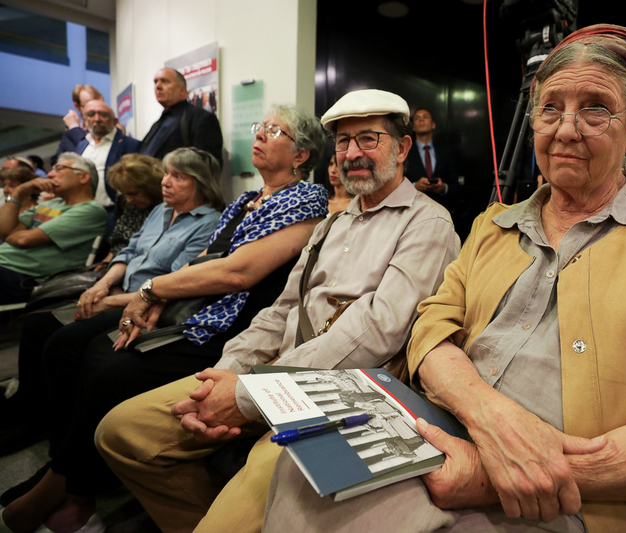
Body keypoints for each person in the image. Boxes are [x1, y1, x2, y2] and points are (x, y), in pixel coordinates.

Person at [260, 25, 626, 533]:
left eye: (596, 107)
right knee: (307, 473)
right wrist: (489, 415)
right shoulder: (494, 224)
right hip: (442, 433)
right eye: (550, 108)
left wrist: (499, 473)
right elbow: (430, 326)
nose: (566, 128)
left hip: (582, 500)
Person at [95, 89, 460, 533]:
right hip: (268, 376)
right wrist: (227, 375)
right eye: (343, 142)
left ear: (402, 148)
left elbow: (377, 332)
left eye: (369, 139)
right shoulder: (332, 222)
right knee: (120, 432)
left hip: (342, 396)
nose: (352, 153)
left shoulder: (428, 222)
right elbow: (279, 311)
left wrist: (249, 395)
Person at [0, 107, 329, 533]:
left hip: (236, 322)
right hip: (202, 307)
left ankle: (71, 490)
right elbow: (203, 260)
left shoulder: (306, 200)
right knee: (70, 345)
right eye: (259, 127)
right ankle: (61, 472)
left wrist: (151, 291)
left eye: (273, 130)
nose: (260, 135)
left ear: (301, 154)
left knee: (106, 361)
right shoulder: (247, 200)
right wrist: (157, 295)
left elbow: (238, 271)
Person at [0, 149, 210, 457]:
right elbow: (127, 251)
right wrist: (101, 286)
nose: (166, 182)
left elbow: (172, 280)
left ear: (201, 184)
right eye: (165, 173)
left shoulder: (207, 222)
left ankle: (57, 438)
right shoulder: (160, 211)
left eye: (177, 176)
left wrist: (112, 299)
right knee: (36, 324)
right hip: (118, 291)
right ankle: (33, 416)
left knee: (65, 344)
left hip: (142, 302)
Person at [0, 153, 107, 304]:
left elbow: (23, 239)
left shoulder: (90, 210)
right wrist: (19, 192)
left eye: (59, 168)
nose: (49, 174)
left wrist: (12, 235)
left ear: (83, 177)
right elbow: (3, 230)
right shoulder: (50, 203)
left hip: (25, 279)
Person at [138, 68, 223, 164]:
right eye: (155, 82)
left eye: (165, 81)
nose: (158, 86)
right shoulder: (157, 124)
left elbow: (207, 166)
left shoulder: (201, 118)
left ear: (182, 91)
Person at [74, 99, 141, 213]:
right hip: (81, 211)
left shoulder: (130, 144)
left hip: (113, 212)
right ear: (85, 120)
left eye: (103, 114)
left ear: (115, 121)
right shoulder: (81, 145)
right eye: (91, 114)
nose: (97, 119)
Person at [100, 153, 166, 265]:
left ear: (152, 187)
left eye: (133, 194)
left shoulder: (171, 209)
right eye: (125, 194)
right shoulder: (126, 203)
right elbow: (118, 242)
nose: (129, 200)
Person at [406, 108, 460, 208]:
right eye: (417, 118)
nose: (421, 120)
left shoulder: (446, 151)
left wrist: (443, 188)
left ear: (433, 125)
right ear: (413, 127)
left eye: (425, 117)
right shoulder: (405, 151)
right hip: (413, 207)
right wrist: (414, 186)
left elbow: (456, 185)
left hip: (442, 207)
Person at [51, 84, 105, 164]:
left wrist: (74, 128)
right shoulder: (70, 133)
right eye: (88, 105)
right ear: (77, 106)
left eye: (99, 104)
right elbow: (56, 161)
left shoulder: (108, 127)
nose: (95, 109)